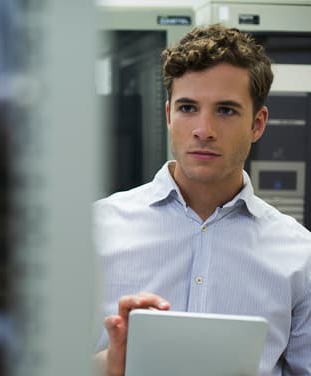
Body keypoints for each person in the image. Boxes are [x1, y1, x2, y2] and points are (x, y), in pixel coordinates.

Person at [93, 24, 311, 376]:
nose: (203, 129)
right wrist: (110, 362)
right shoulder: (95, 230)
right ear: (168, 115)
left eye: (225, 110)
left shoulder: (300, 256)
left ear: (258, 124)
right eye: (188, 107)